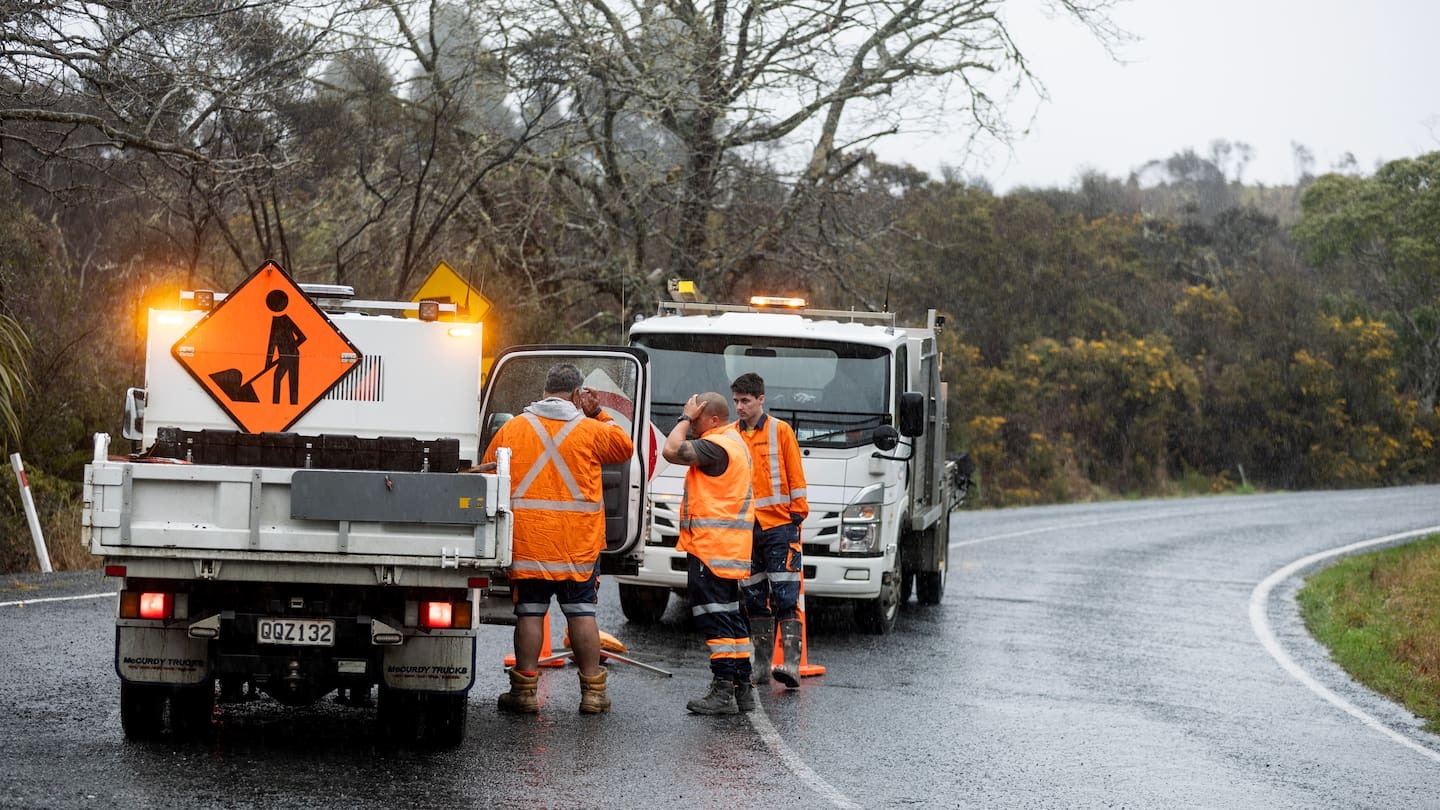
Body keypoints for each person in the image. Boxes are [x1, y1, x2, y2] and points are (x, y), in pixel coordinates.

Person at [483, 363, 634, 714]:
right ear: (578, 393)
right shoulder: (591, 430)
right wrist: (599, 413)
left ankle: (524, 692)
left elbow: (490, 471)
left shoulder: (513, 428)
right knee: (581, 613)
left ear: (545, 389)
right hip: (576, 544)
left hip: (529, 541)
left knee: (530, 613)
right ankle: (593, 694)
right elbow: (625, 448)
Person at [663, 391, 756, 715]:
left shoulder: (716, 445)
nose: (692, 422)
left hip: (711, 548)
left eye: (698, 416)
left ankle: (723, 689)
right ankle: (743, 689)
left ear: (713, 418)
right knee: (731, 619)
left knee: (716, 621)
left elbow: (670, 450)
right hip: (729, 549)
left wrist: (684, 419)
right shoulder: (735, 443)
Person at [730, 372, 809, 689]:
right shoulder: (730, 434)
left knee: (786, 598)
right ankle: (760, 667)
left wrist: (796, 516)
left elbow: (795, 475)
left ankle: (790, 666)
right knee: (753, 599)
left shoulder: (780, 431)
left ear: (761, 399)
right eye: (736, 401)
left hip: (779, 527)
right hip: (747, 528)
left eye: (745, 401)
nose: (740, 407)